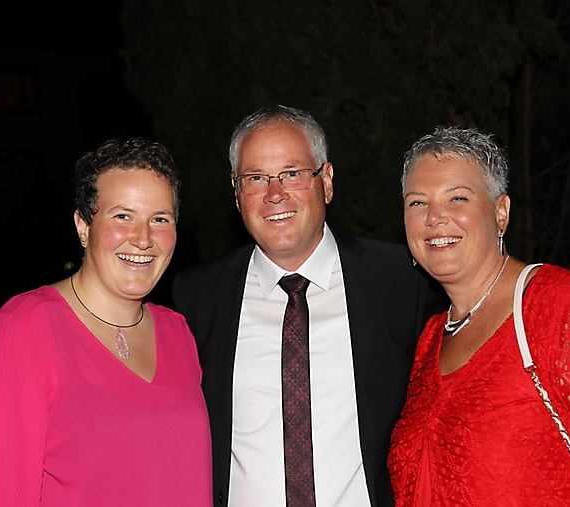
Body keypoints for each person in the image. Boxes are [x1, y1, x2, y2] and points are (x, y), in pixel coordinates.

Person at [387, 126, 570, 506]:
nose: (435, 217)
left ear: (501, 212)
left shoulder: (559, 306)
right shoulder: (429, 340)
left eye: (457, 197)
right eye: (417, 203)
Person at [172, 105, 445, 507]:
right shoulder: (197, 296)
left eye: (293, 173)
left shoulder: (403, 280)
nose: (274, 194)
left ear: (326, 181)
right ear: (236, 193)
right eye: (255, 178)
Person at [0, 138, 212, 506]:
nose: (143, 239)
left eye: (160, 219)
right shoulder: (21, 332)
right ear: (83, 225)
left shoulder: (179, 334)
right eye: (122, 216)